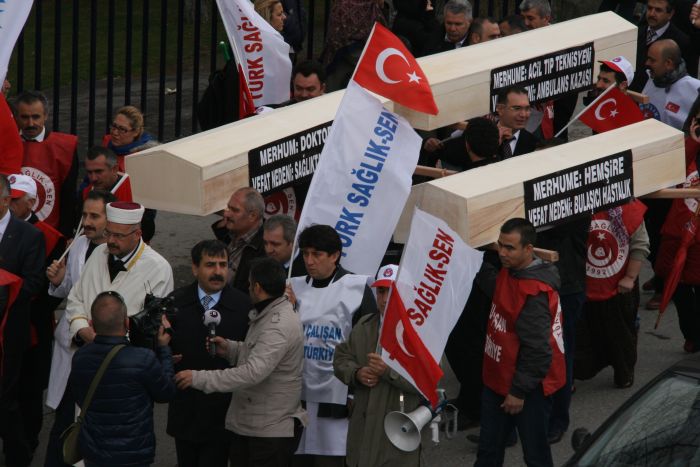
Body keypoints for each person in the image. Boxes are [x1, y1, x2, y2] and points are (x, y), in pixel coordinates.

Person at [174, 257, 306, 467]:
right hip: (254, 425)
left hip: (268, 433)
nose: (247, 289)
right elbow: (259, 353)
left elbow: (253, 372)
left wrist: (197, 378)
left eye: (249, 284)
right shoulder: (268, 313)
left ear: (257, 287)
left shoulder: (278, 324)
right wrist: (231, 349)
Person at [474, 218, 565, 467]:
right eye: (500, 246)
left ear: (528, 249)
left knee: (535, 456)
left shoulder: (534, 292)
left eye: (510, 248)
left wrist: (518, 391)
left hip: (526, 389)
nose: (502, 253)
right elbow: (497, 287)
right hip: (499, 381)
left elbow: (538, 351)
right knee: (488, 453)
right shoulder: (511, 271)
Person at [289, 224, 376, 466]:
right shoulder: (292, 287)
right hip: (298, 393)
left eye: (317, 254)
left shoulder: (357, 288)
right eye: (305, 253)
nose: (309, 261)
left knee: (332, 459)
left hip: (337, 394)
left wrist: (354, 390)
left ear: (335, 255)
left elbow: (367, 343)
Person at [43, 189, 116, 467]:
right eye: (85, 214)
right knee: (63, 424)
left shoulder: (116, 252)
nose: (87, 221)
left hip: (97, 350)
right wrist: (59, 280)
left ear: (111, 219)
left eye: (95, 216)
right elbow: (70, 290)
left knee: (89, 427)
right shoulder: (78, 246)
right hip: (71, 347)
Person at [166, 240, 250, 467]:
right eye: (210, 265)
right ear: (195, 268)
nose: (218, 271)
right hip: (186, 409)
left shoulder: (244, 306)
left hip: (225, 412)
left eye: (223, 265)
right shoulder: (175, 303)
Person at [68, 291, 175, 467]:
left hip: (94, 452)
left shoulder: (80, 357)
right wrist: (164, 350)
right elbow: (167, 392)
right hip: (135, 453)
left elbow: (79, 396)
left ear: (92, 324)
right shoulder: (143, 359)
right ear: (126, 323)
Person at [333, 264, 422, 467]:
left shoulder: (419, 332)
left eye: (392, 291)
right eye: (381, 291)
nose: (383, 299)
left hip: (399, 431)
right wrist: (357, 373)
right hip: (363, 429)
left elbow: (428, 383)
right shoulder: (365, 324)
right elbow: (340, 359)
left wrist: (388, 372)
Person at [64, 201, 174, 344]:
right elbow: (76, 297)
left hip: (129, 358)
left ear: (137, 234)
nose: (110, 240)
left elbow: (153, 323)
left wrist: (107, 341)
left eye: (118, 235)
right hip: (86, 349)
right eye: (108, 232)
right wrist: (81, 329)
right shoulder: (98, 252)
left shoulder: (159, 268)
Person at [575, 200, 649, 388]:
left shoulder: (628, 209)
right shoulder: (575, 208)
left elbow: (640, 245)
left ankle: (624, 372)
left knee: (621, 336)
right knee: (583, 337)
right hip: (584, 289)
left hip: (618, 289)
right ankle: (574, 374)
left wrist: (630, 277)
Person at [0, 173, 45, 467]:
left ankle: (18, 456)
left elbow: (32, 284)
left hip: (9, 333)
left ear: (5, 200)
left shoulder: (30, 236)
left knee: (5, 400)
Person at [14, 90, 78, 237]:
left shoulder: (65, 147)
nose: (30, 123)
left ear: (46, 116)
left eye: (36, 117)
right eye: (25, 117)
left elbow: (69, 196)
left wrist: (65, 235)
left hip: (51, 232)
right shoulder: (7, 144)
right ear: (17, 117)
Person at [630, 0, 695, 91]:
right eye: (649, 8)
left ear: (670, 14)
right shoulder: (636, 32)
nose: (652, 14)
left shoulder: (681, 42)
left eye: (658, 10)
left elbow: (687, 78)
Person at [212, 187, 266, 293]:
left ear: (252, 216)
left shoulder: (265, 249)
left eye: (235, 210)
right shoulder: (229, 233)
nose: (226, 214)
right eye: (228, 208)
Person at [640, 39, 700, 131]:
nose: (647, 63)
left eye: (652, 60)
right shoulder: (650, 77)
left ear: (668, 63)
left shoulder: (695, 89)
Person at [102, 105, 157, 171]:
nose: (115, 132)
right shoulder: (107, 141)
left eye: (122, 129)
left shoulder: (143, 157)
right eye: (114, 126)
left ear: (136, 132)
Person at [495, 86, 538, 159]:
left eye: (527, 109)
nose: (523, 115)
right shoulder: (480, 138)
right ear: (500, 109)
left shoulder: (534, 144)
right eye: (517, 108)